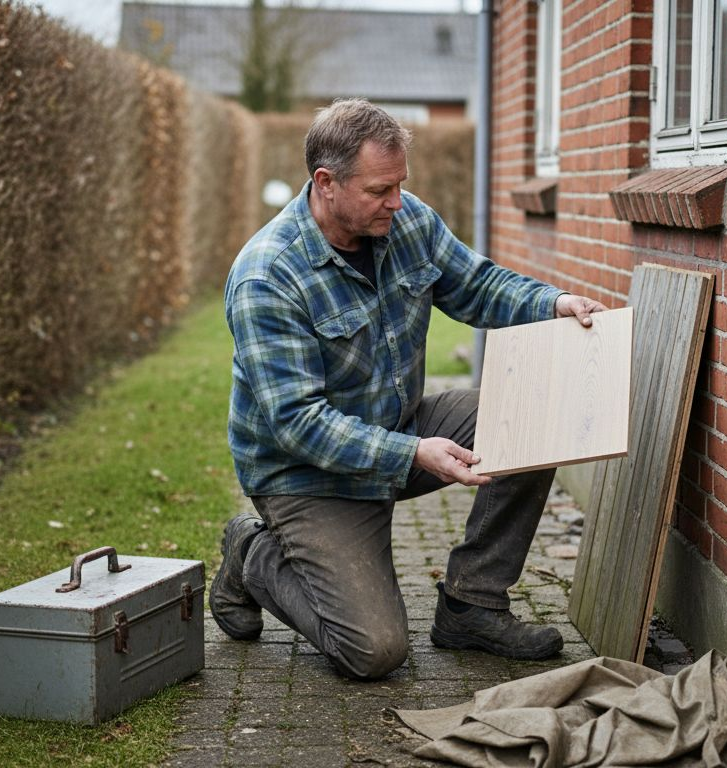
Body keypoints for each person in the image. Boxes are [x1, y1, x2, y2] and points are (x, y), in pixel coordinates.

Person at [216, 99, 606, 680]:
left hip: (396, 425)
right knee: (375, 652)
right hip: (305, 474)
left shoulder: (408, 222)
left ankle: (472, 604)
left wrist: (553, 303)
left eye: (401, 184)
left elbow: (475, 285)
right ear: (325, 183)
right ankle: (252, 551)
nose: (397, 202)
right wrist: (414, 452)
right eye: (380, 190)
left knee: (526, 417)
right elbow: (298, 423)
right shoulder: (268, 278)